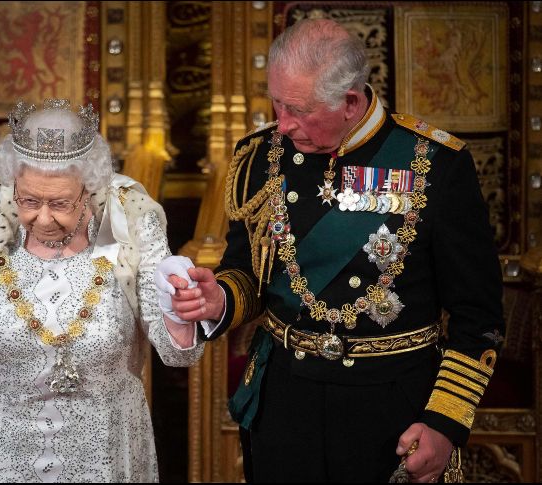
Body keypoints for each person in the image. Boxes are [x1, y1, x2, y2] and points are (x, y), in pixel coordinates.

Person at [154, 18, 504, 483]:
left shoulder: (435, 164)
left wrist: (444, 424)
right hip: (284, 402)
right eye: (276, 104)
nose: (283, 124)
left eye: (298, 109)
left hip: (392, 406)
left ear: (351, 102)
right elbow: (247, 274)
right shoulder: (260, 156)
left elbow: (478, 318)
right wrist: (220, 297)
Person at [0, 98, 204, 482]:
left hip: (104, 453)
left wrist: (178, 308)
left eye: (60, 203)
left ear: (88, 188)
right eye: (29, 200)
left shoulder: (131, 225)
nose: (42, 218)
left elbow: (179, 356)